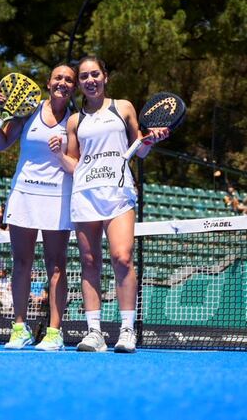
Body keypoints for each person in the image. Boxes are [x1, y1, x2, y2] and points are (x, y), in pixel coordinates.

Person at [50, 56, 169, 353]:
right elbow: (75, 165)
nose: (90, 80)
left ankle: (127, 330)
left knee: (122, 257)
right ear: (80, 83)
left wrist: (152, 140)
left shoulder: (124, 107)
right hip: (85, 194)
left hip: (118, 193)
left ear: (105, 76)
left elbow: (139, 151)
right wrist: (59, 155)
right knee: (89, 263)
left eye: (95, 75)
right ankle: (95, 333)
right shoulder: (76, 120)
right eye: (84, 77)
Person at [0, 63, 76, 351]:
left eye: (68, 79)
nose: (62, 82)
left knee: (56, 265)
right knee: (21, 263)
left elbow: (77, 162)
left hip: (58, 198)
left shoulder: (75, 121)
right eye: (58, 78)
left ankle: (54, 332)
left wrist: (61, 152)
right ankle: (19, 328)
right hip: (24, 193)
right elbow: (1, 144)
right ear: (48, 83)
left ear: (73, 87)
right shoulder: (28, 111)